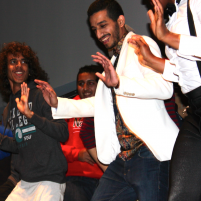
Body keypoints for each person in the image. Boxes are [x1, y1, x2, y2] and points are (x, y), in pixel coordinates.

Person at [35, 0, 179, 200]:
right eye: (94, 29)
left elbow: (165, 88)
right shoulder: (112, 63)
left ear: (120, 21)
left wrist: (120, 83)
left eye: (103, 25)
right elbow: (97, 105)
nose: (99, 34)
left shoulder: (141, 45)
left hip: (149, 152)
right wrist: (57, 103)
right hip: (124, 158)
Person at [0, 41, 69, 201]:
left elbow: (63, 133)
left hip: (49, 180)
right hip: (25, 182)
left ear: (30, 68)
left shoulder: (40, 94)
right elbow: (19, 145)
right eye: (13, 62)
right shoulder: (10, 107)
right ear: (4, 69)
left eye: (24, 61)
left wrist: (31, 115)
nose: (19, 66)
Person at [127, 0, 201, 200]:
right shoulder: (172, 20)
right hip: (195, 110)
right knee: (181, 193)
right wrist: (150, 59)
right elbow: (184, 74)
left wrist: (167, 37)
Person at [62, 65, 106, 201]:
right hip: (76, 178)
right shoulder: (66, 108)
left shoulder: (108, 107)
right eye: (81, 84)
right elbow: (52, 145)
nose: (85, 88)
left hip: (106, 179)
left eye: (90, 83)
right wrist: (77, 154)